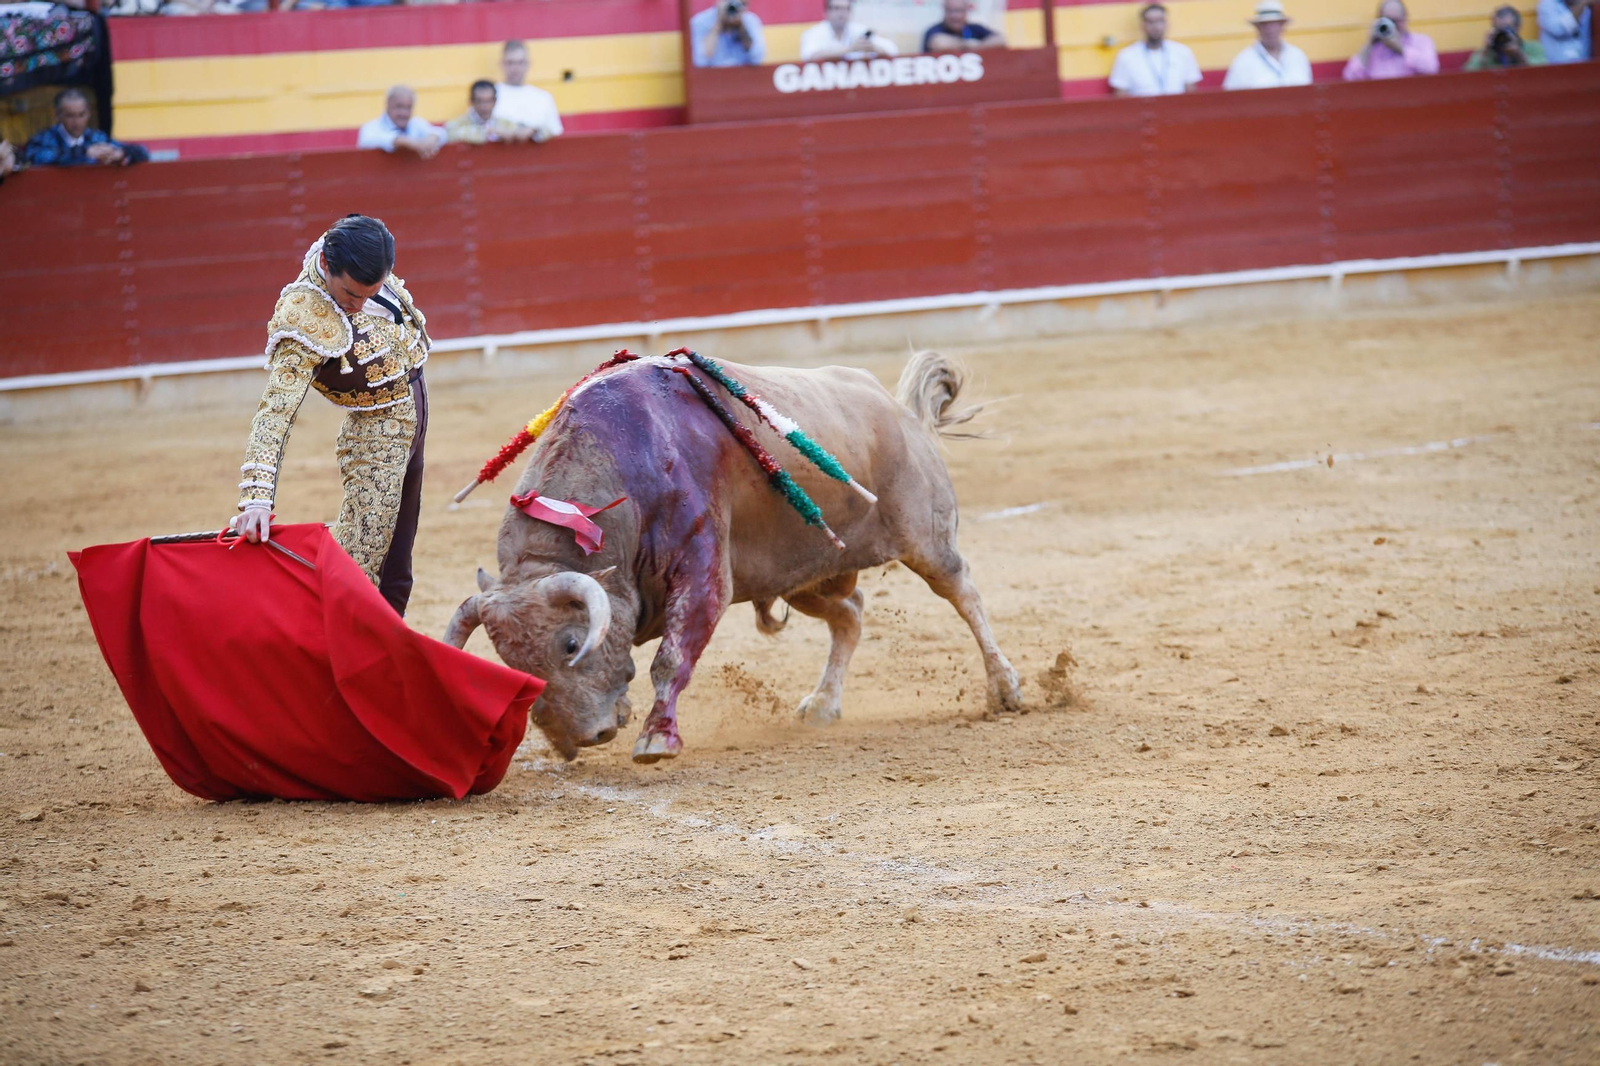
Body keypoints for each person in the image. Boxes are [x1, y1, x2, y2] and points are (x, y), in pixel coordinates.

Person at [229, 215, 433, 617]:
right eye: (350, 294)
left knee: (397, 566)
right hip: (377, 435)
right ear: (325, 264)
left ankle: (386, 664)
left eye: (369, 294)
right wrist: (256, 499)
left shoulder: (356, 248)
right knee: (360, 568)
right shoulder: (304, 317)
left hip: (416, 409)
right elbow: (275, 413)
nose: (359, 304)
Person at [22, 88, 149, 168]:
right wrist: (84, 152)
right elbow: (33, 157)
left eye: (81, 115)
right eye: (70, 116)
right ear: (57, 116)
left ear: (88, 114)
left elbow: (142, 152)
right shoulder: (45, 138)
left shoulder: (96, 137)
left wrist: (120, 153)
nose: (77, 121)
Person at [1109, 4, 1201, 96]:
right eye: (1150, 22)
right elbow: (1120, 94)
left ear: (1166, 24)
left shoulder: (1183, 52)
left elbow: (1191, 92)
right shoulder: (1126, 56)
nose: (1155, 27)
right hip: (1142, 109)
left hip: (1177, 108)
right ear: (1142, 25)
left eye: (1159, 21)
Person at [1223, 2, 1312, 90]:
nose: (1270, 30)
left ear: (1282, 26)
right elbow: (1231, 99)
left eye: (1274, 24)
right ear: (1257, 28)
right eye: (1264, 25)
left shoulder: (1298, 56)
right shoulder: (1243, 61)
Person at [1342, 1, 1438, 80]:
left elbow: (1431, 69)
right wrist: (1369, 44)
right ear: (1379, 20)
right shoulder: (1372, 49)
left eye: (1396, 21)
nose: (1392, 25)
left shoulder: (1421, 41)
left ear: (1405, 19)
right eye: (1388, 20)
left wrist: (1400, 48)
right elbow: (1350, 77)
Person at [493, 40, 563, 142]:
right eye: (510, 62)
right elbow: (474, 129)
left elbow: (555, 133)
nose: (515, 68)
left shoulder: (543, 98)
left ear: (528, 64)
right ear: (502, 64)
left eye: (520, 62)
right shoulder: (486, 96)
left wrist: (535, 131)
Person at [357, 86, 444, 157]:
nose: (404, 113)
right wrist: (406, 142)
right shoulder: (371, 127)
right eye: (399, 107)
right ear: (387, 105)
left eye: (408, 108)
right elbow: (368, 141)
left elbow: (441, 132)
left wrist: (433, 137)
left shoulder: (416, 123)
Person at [801, 0, 898, 60]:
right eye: (836, 8)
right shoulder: (814, 33)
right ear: (826, 12)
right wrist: (851, 49)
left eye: (846, 9)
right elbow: (810, 56)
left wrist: (872, 47)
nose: (841, 13)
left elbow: (892, 50)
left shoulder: (859, 30)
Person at [447, 80, 534, 145]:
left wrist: (532, 131)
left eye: (489, 101)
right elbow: (451, 133)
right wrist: (491, 132)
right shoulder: (458, 123)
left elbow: (541, 132)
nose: (485, 106)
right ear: (471, 102)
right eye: (480, 101)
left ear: (495, 101)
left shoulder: (504, 123)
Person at [1464, 6, 1547, 70]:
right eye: (1498, 29)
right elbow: (1468, 74)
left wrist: (1519, 54)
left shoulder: (1533, 47)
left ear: (1518, 27)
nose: (1503, 33)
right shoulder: (1486, 52)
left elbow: (1544, 72)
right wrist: (1485, 51)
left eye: (1507, 28)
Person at [690, 1, 768, 67]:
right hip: (712, 78)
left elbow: (758, 58)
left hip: (743, 78)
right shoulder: (700, 22)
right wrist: (718, 23)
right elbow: (700, 61)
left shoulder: (749, 20)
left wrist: (741, 26)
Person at [922, 0, 1006, 53]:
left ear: (966, 11)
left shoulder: (975, 28)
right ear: (944, 11)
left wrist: (978, 46)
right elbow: (938, 43)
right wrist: (967, 45)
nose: (954, 16)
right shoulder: (934, 30)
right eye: (950, 11)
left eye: (958, 11)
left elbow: (1000, 40)